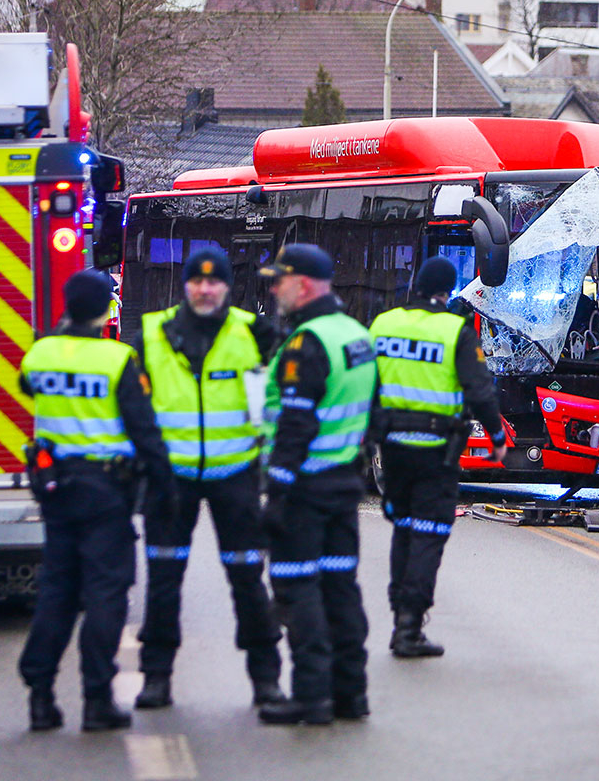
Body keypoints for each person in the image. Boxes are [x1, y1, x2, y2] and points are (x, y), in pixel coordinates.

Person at [17, 270, 174, 733]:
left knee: (57, 592)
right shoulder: (117, 358)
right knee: (106, 593)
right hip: (106, 490)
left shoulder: (40, 353)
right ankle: (96, 698)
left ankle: (41, 697)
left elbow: (29, 389)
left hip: (55, 489)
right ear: (107, 308)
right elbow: (143, 427)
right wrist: (164, 485)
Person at [130, 247, 285, 711]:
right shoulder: (151, 335)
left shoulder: (254, 333)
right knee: (163, 581)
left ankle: (266, 682)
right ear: (185, 286)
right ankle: (156, 679)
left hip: (235, 475)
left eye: (213, 281)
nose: (204, 289)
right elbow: (134, 409)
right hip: (169, 478)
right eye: (196, 281)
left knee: (247, 580)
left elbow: (276, 397)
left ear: (226, 286)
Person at [256, 244, 378, 726]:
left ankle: (311, 697)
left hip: (304, 490)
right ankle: (351, 693)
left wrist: (276, 491)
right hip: (342, 486)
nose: (272, 289)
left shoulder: (307, 343)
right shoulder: (356, 335)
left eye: (278, 280)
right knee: (340, 587)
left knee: (296, 588)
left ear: (301, 284)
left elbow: (295, 423)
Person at [369, 257, 506, 658]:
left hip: (391, 450)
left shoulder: (383, 325)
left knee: (404, 528)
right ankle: (410, 626)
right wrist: (496, 435)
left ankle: (399, 617)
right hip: (435, 452)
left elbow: (362, 382)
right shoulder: (455, 331)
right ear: (447, 291)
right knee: (429, 532)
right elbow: (479, 390)